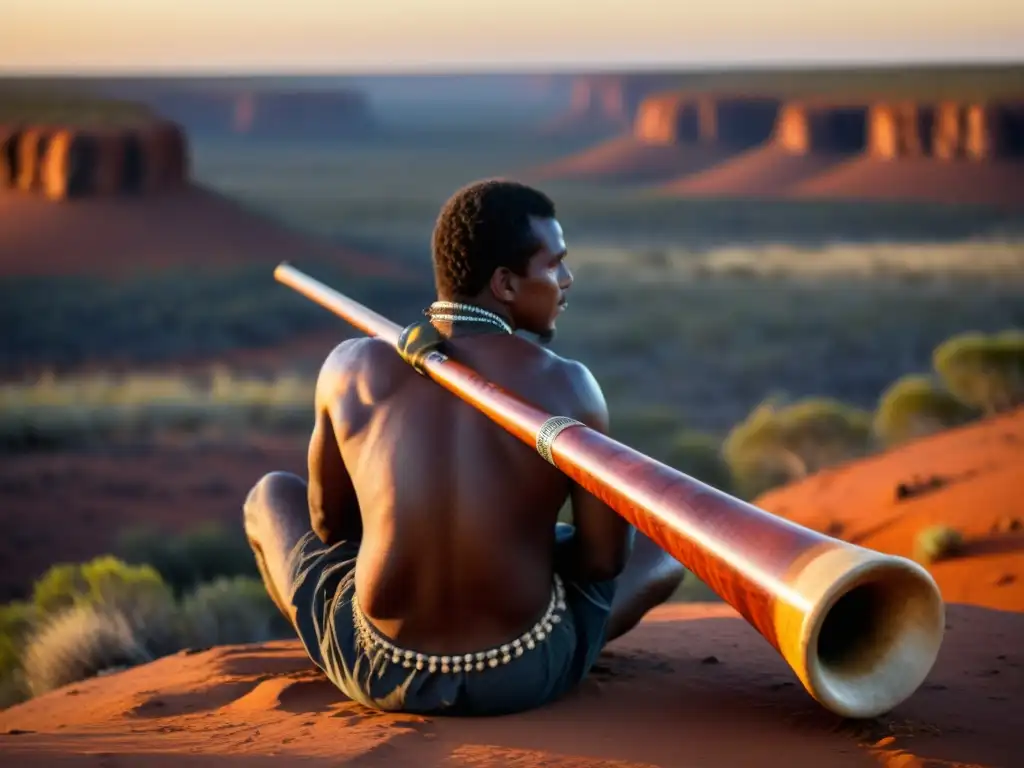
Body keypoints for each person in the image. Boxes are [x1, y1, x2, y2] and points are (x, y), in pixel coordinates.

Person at [243, 179, 686, 716]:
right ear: (503, 283)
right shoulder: (570, 387)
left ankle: (333, 645)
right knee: (666, 534)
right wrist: (518, 545)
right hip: (523, 670)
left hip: (375, 665)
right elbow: (602, 561)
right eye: (553, 265)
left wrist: (410, 526)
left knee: (270, 497)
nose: (566, 281)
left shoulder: (348, 368)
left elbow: (330, 527)